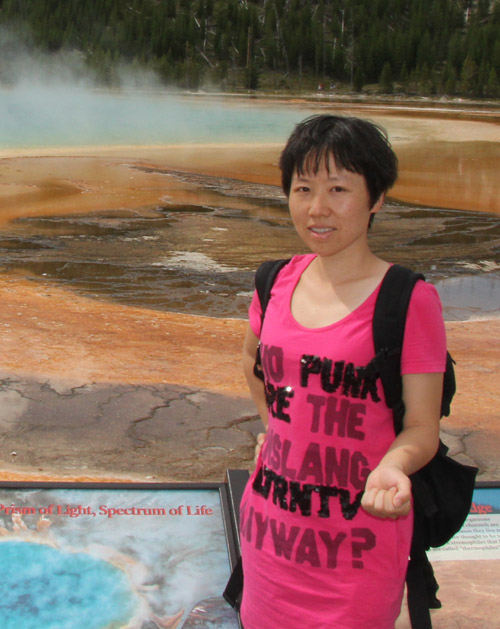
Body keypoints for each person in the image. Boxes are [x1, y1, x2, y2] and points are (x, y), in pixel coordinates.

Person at [239, 114, 447, 628]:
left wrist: (394, 465)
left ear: (377, 198)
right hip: (268, 539)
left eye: (338, 189)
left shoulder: (408, 300)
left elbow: (422, 428)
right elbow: (253, 364)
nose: (317, 208)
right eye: (303, 189)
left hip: (357, 550)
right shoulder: (274, 282)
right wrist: (276, 429)